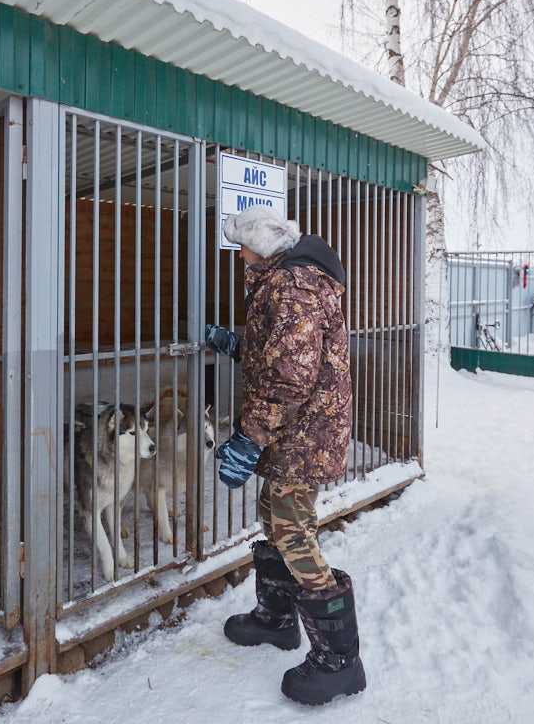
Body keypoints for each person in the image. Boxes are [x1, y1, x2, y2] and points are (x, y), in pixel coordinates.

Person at [205, 204, 365, 706]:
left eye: (241, 246)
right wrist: (238, 343)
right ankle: (276, 620)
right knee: (274, 518)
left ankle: (341, 661)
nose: (239, 255)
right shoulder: (284, 279)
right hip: (293, 432)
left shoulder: (291, 286)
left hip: (303, 433)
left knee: (293, 530)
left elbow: (291, 377)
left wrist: (249, 438)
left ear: (260, 246)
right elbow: (285, 349)